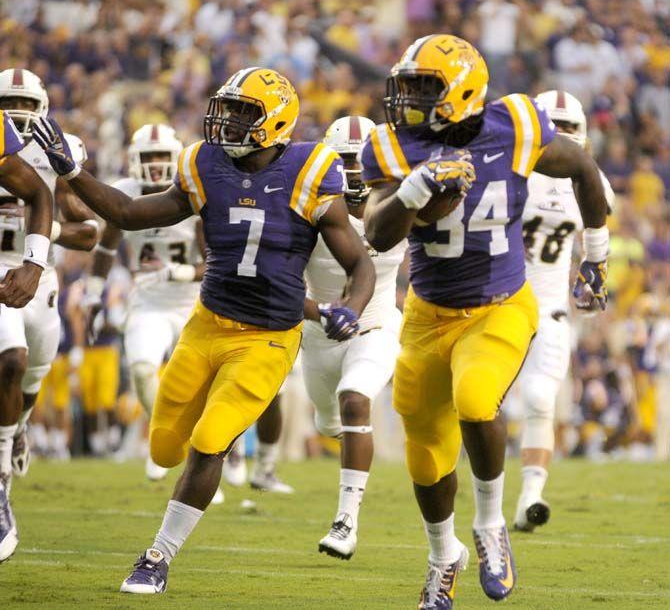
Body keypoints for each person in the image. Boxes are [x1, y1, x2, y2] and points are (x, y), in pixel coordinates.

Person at [32, 66, 375, 594]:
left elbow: (360, 263)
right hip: (205, 325)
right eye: (228, 108)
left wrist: (352, 305)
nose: (228, 122)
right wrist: (73, 172)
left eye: (243, 112)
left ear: (275, 120)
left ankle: (156, 557)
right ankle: (187, 486)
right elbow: (129, 211)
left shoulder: (311, 171)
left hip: (268, 337)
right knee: (165, 448)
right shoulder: (203, 162)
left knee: (210, 441)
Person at [362, 34, 609, 608]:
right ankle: (443, 554)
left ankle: (492, 523)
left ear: (465, 91)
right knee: (425, 453)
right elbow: (376, 232)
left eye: (426, 86)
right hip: (427, 314)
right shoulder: (397, 147)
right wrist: (415, 189)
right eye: (410, 85)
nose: (411, 98)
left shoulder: (517, 124)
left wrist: (595, 253)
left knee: (477, 399)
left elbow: (581, 165)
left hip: (500, 303)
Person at [300, 115, 407, 559]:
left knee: (356, 397)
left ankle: (346, 522)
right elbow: (280, 287)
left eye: (362, 162)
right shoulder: (307, 209)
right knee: (329, 422)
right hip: (318, 329)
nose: (354, 172)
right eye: (345, 161)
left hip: (377, 322)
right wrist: (321, 312)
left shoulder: (402, 203)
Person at [0, 68, 93, 563]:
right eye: (6, 99)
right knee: (10, 362)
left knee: (32, 371)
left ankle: (18, 427)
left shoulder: (58, 151)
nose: (15, 109)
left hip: (41, 277)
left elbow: (88, 233)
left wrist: (44, 239)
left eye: (23, 100)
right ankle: (0, 481)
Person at [514, 89, 615, 532]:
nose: (562, 136)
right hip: (496, 305)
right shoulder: (511, 171)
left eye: (569, 128)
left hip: (551, 308)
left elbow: (592, 239)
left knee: (540, 399)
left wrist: (592, 275)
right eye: (554, 126)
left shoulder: (592, 181)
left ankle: (531, 497)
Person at [83, 123, 206, 480]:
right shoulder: (126, 191)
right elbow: (107, 244)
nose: (155, 164)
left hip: (192, 303)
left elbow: (214, 259)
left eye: (161, 156)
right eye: (148, 156)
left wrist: (176, 272)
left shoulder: (192, 192)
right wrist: (93, 292)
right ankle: (162, 439)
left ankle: (210, 455)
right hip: (148, 303)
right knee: (140, 370)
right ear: (135, 159)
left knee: (202, 385)